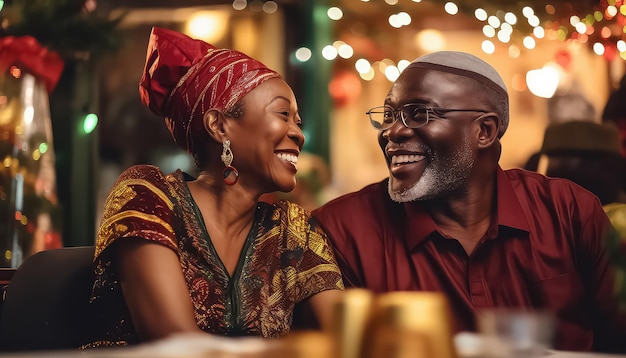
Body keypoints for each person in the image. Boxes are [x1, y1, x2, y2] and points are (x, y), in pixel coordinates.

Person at [311, 51, 626, 353]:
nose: (392, 131)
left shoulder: (569, 211)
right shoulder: (342, 230)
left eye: (418, 114)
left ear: (485, 131)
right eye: (390, 115)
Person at [86, 27, 343, 347]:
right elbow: (177, 343)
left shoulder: (293, 228)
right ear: (219, 126)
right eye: (283, 114)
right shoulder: (147, 195)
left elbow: (347, 336)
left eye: (298, 121)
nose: (298, 134)